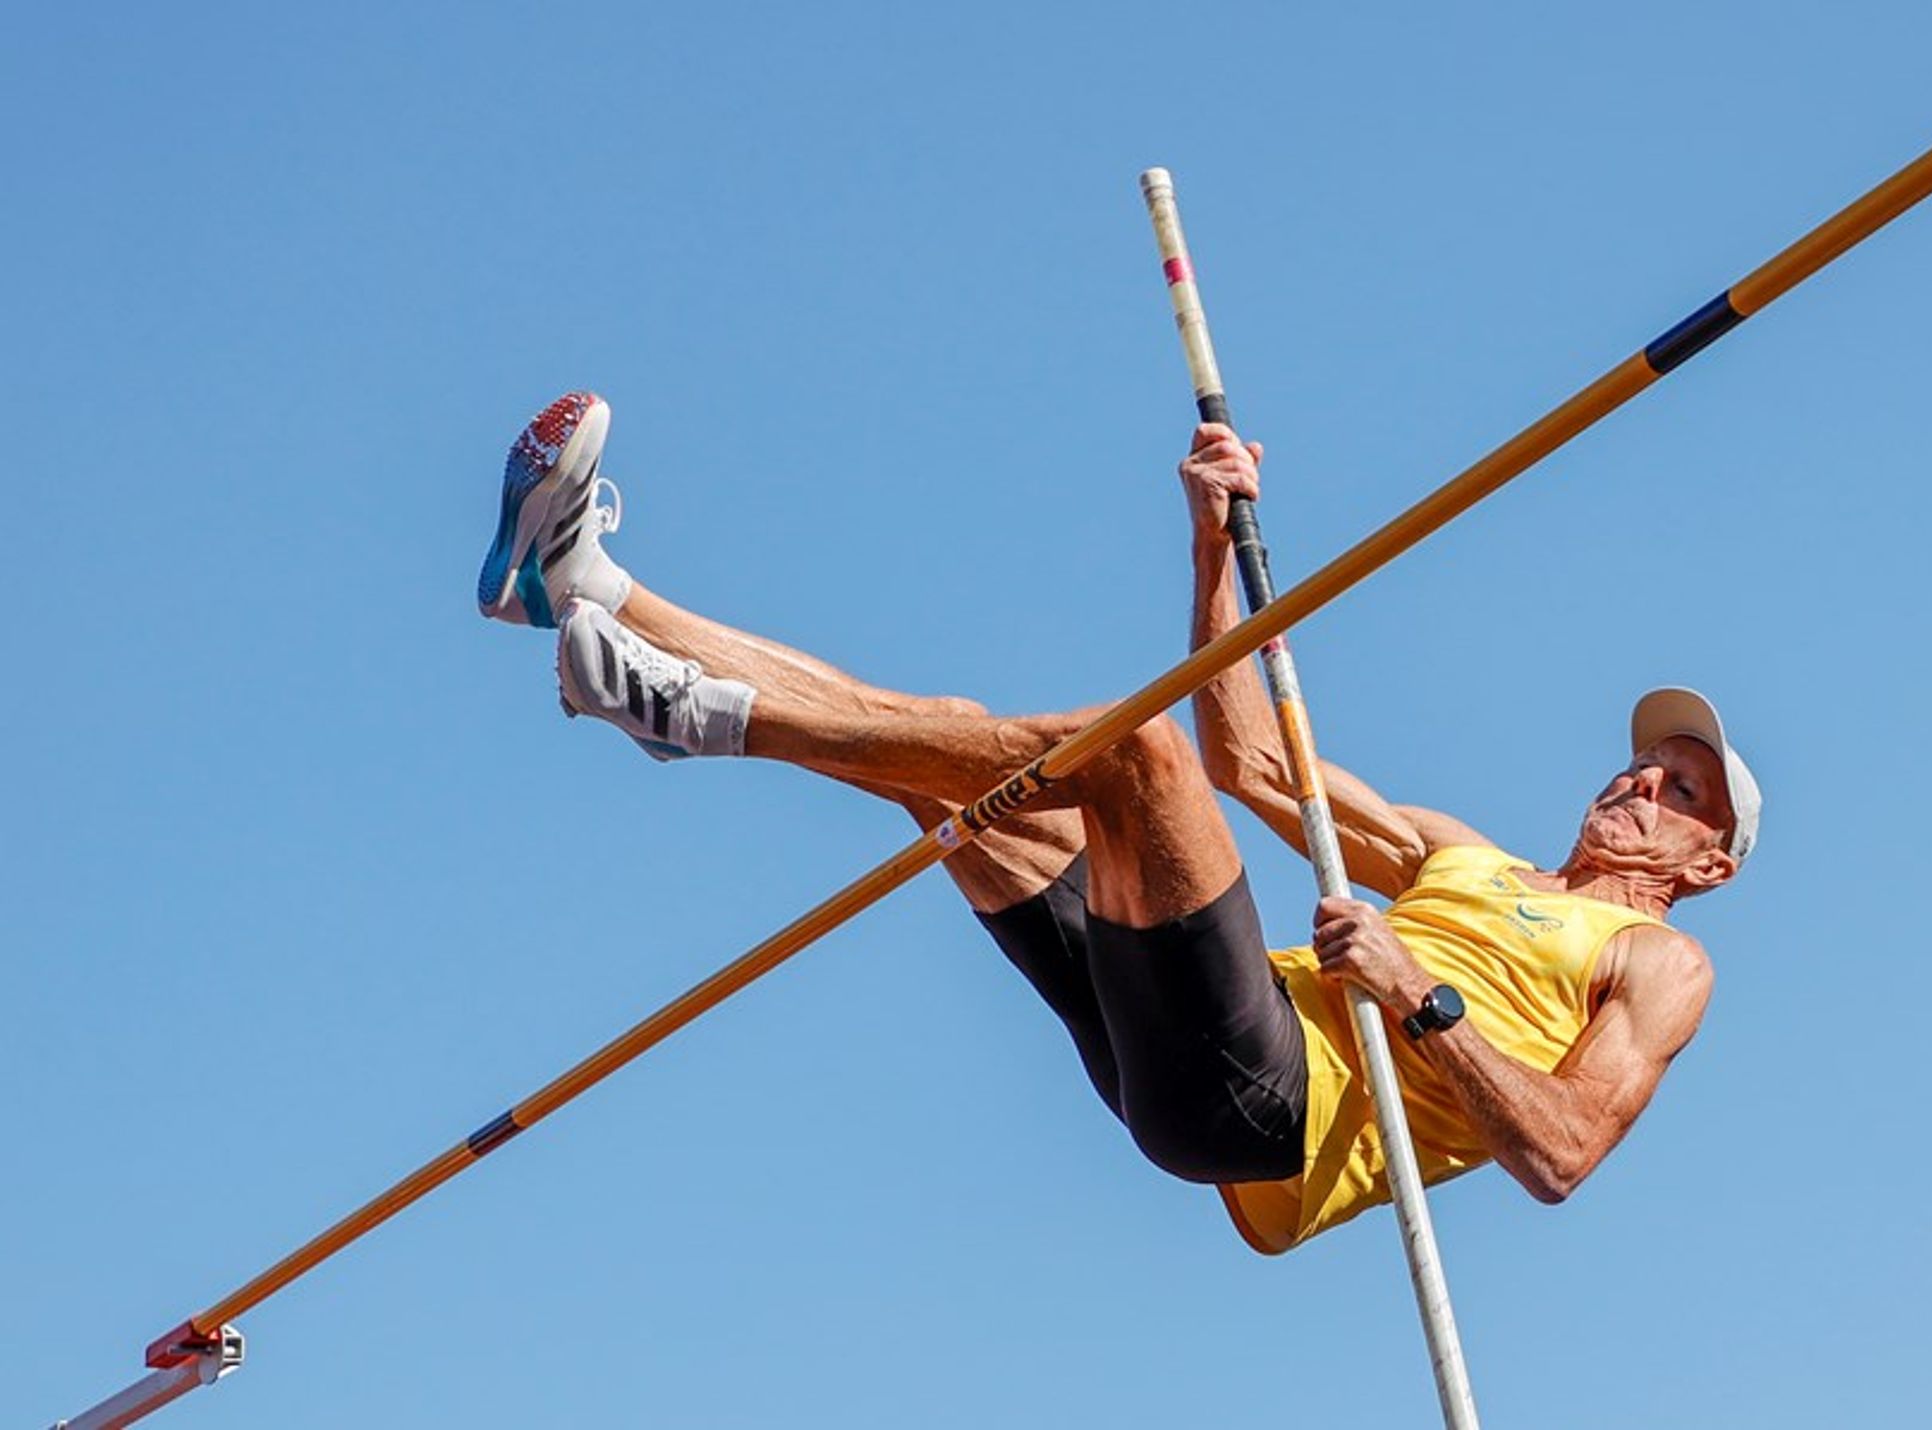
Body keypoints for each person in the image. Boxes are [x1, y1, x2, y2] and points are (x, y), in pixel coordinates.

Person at [476, 392, 1764, 1253]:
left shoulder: (1661, 962)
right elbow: (1249, 753)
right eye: (1645, 762)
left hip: (1274, 1106)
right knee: (948, 748)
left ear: (1708, 863)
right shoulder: (1456, 851)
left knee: (1126, 753)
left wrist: (1422, 992)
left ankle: (709, 719)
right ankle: (588, 588)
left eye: (1679, 790)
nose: (1641, 783)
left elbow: (1566, 1152)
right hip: (1199, 1035)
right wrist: (1210, 549)